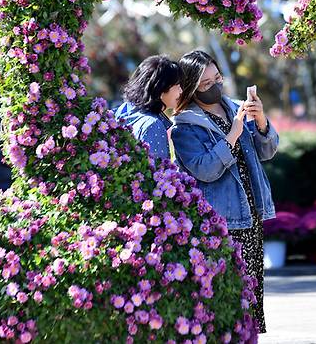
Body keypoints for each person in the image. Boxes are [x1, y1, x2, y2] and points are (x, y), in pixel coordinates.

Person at [171, 50, 278, 333]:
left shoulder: (234, 107)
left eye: (217, 78)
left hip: (251, 216)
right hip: (221, 224)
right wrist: (233, 133)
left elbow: (267, 151)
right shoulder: (185, 127)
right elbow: (205, 169)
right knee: (227, 301)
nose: (215, 86)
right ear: (191, 88)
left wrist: (262, 121)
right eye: (206, 84)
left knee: (252, 300)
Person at [115, 55, 183, 160]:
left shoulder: (123, 110)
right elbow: (157, 173)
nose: (181, 91)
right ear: (161, 87)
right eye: (178, 86)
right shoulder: (153, 125)